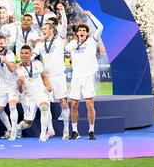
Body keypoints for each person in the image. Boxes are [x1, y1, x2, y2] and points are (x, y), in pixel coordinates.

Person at [65, 10, 103, 140]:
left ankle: (91, 131)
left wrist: (91, 15)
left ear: (87, 33)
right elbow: (66, 49)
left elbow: (101, 27)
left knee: (89, 105)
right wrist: (74, 45)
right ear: (77, 33)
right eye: (79, 30)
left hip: (87, 78)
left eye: (84, 31)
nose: (81, 32)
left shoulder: (92, 41)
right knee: (74, 105)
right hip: (76, 78)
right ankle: (75, 132)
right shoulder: (73, 44)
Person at [35, 19, 70, 140]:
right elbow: (32, 55)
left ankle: (66, 130)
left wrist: (63, 13)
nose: (43, 31)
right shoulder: (40, 44)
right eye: (42, 29)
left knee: (63, 103)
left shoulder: (59, 41)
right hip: (47, 78)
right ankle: (50, 130)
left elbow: (64, 26)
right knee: (46, 104)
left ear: (51, 30)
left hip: (59, 76)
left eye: (45, 29)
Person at [16, 45, 52, 142]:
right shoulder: (19, 69)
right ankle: (17, 128)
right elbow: (20, 91)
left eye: (26, 53)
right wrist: (20, 84)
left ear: (31, 54)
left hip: (41, 94)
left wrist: (48, 85)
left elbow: (43, 76)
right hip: (29, 98)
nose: (24, 55)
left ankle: (43, 134)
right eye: (22, 53)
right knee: (27, 123)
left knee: (44, 108)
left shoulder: (38, 64)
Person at [0, 35, 19, 140]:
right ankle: (9, 128)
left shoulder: (10, 54)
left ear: (5, 43)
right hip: (2, 86)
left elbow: (13, 69)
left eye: (1, 43)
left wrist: (6, 61)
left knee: (12, 106)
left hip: (12, 85)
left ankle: (14, 132)